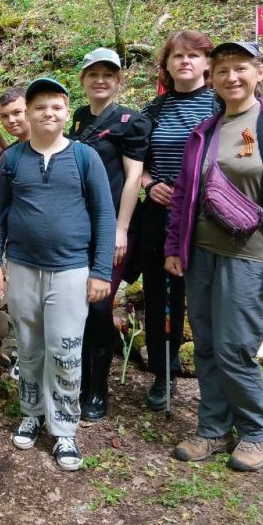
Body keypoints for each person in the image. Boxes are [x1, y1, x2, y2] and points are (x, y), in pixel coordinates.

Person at [165, 42, 263, 472]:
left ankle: (256, 430)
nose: (231, 77)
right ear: (211, 78)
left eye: (241, 68)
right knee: (207, 344)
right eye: (223, 70)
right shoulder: (206, 131)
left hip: (250, 257)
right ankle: (213, 427)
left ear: (259, 72)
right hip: (202, 254)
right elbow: (184, 195)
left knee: (235, 347)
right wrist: (175, 247)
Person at [0, 78, 115, 471]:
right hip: (23, 267)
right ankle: (32, 412)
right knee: (28, 347)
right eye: (40, 106)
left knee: (65, 350)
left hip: (71, 269)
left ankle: (64, 429)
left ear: (66, 111)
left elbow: (104, 215)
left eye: (56, 106)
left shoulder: (84, 157)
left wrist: (101, 271)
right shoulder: (13, 160)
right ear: (29, 112)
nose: (48, 113)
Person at [68, 48, 150, 420]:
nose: (100, 80)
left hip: (110, 227)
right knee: (78, 304)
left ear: (118, 81)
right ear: (83, 80)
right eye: (93, 74)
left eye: (108, 75)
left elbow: (133, 177)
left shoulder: (131, 121)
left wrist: (121, 228)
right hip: (76, 226)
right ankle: (78, 380)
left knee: (99, 304)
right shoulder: (78, 117)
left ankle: (97, 390)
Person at [139, 31, 217, 411]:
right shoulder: (154, 110)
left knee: (208, 297)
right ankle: (163, 372)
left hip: (208, 217)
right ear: (167, 65)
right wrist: (149, 184)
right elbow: (137, 163)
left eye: (194, 55)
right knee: (160, 298)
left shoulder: (221, 105)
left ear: (207, 63)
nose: (185, 61)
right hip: (161, 214)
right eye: (177, 56)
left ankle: (216, 381)